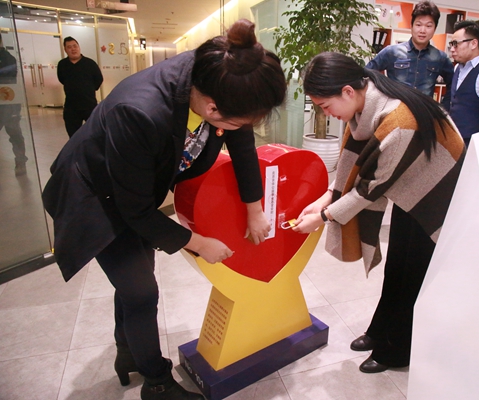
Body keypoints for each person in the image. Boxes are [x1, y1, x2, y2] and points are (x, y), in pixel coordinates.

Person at [42, 19, 286, 400]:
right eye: (240, 121)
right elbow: (135, 211)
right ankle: (156, 383)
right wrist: (197, 242)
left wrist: (254, 208)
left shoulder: (219, 74)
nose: (244, 128)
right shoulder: (140, 110)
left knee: (135, 282)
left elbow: (241, 141)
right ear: (212, 107)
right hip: (93, 195)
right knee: (142, 290)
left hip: (133, 187)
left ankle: (128, 352)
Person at [292, 52, 465, 373]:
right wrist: (326, 197)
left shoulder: (398, 123)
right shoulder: (364, 107)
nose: (325, 113)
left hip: (436, 194)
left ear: (347, 91)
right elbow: (353, 167)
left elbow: (368, 189)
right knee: (397, 265)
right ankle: (380, 330)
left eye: (325, 105)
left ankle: (396, 351)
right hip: (410, 184)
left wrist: (324, 217)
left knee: (413, 274)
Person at [365, 0, 454, 110]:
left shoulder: (440, 58)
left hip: (424, 113)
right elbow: (366, 74)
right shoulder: (392, 52)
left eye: (428, 26)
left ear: (434, 29)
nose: (422, 30)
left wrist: (442, 109)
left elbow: (453, 85)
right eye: (418, 25)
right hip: (395, 112)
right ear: (411, 26)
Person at [57, 36, 103, 137]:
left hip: (89, 105)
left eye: (75, 46)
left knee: (94, 134)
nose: (73, 49)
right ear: (65, 50)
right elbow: (61, 79)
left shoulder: (90, 63)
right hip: (71, 107)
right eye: (69, 47)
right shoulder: (62, 65)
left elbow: (98, 79)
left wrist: (88, 89)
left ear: (79, 47)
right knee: (74, 136)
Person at [0, 34, 27, 176]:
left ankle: (20, 161)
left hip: (8, 104)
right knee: (15, 135)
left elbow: (9, 80)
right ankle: (20, 161)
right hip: (8, 103)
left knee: (15, 134)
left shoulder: (7, 59)